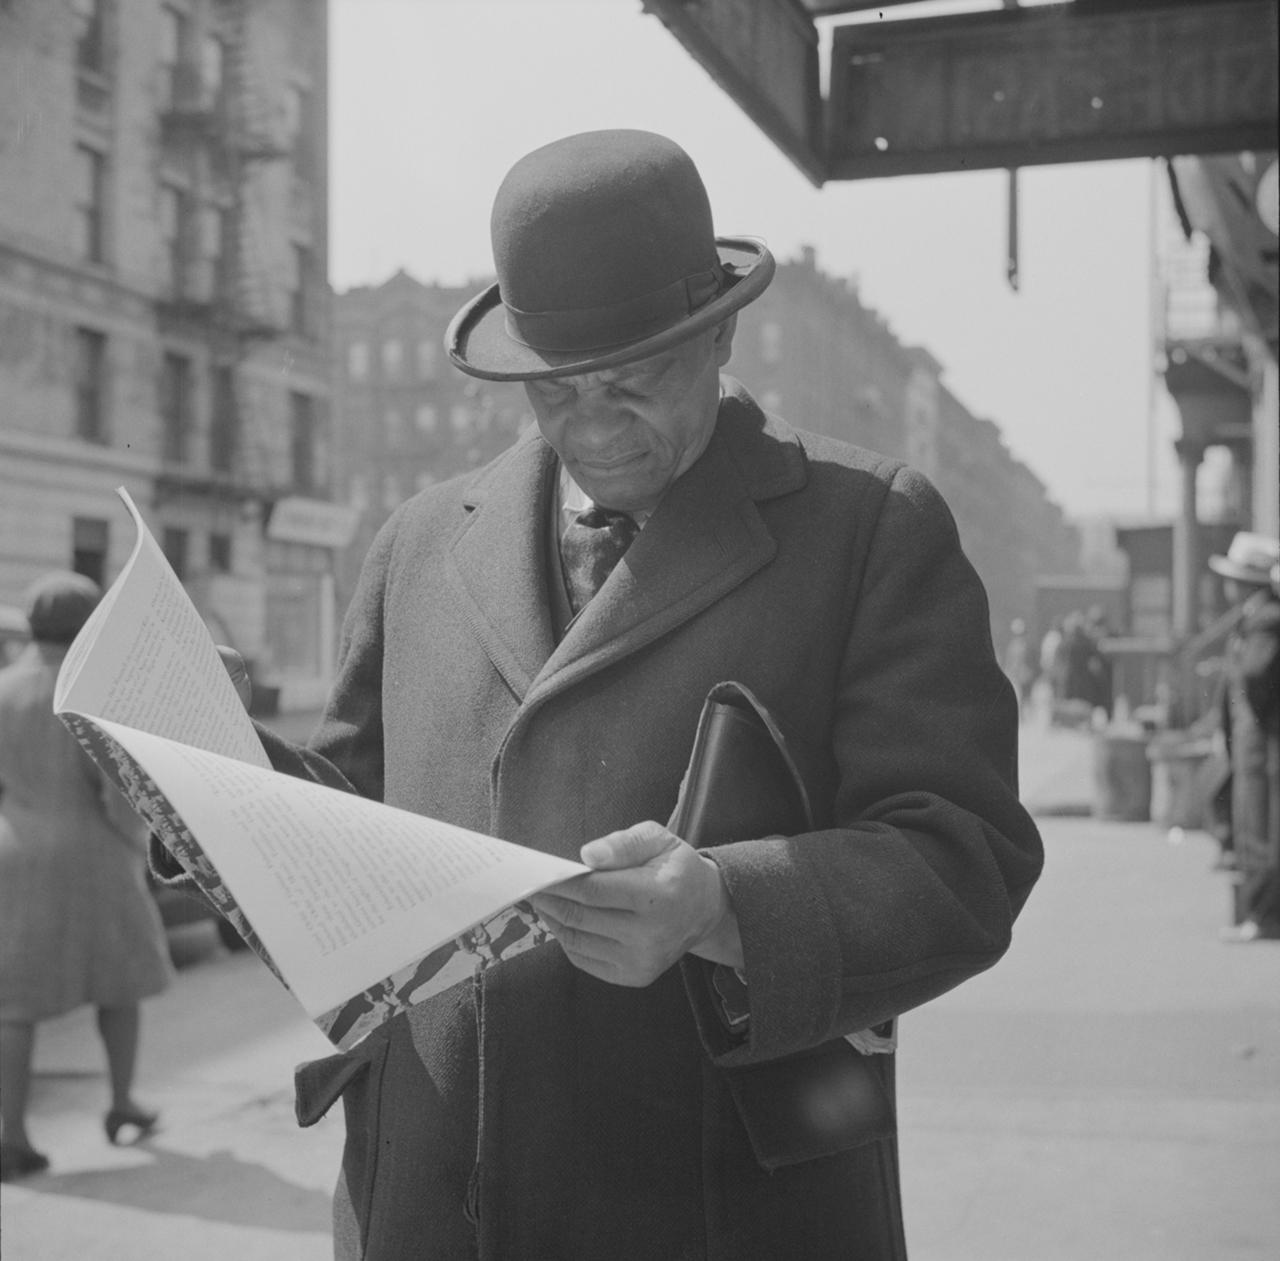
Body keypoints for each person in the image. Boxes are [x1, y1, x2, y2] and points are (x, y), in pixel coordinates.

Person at [187, 130, 1042, 1258]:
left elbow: (963, 854)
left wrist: (724, 903)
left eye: (633, 386)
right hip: (431, 1200)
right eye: (555, 391)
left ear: (719, 333)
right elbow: (345, 824)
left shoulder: (867, 528)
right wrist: (201, 783)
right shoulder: (419, 544)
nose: (593, 428)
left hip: (711, 1202)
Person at [0, 572, 171, 1182]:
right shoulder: (87, 694)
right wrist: (140, 847)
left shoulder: (4, 688)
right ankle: (123, 1102)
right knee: (116, 982)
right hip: (93, 855)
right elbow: (117, 798)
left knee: (12, 1004)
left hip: (14, 852)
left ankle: (11, 1134)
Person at [1209, 533, 1280, 943]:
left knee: (1260, 827)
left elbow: (1254, 675)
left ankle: (1265, 916)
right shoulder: (1256, 618)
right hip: (1251, 739)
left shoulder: (1265, 619)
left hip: (1259, 741)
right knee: (1254, 822)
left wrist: (1253, 717)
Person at [1002, 617, 1034, 720]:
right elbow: (1010, 660)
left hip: (1021, 673)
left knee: (1023, 695)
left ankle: (1022, 714)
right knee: (1021, 695)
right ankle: (1021, 714)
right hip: (1018, 673)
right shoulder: (1018, 645)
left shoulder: (1018, 645)